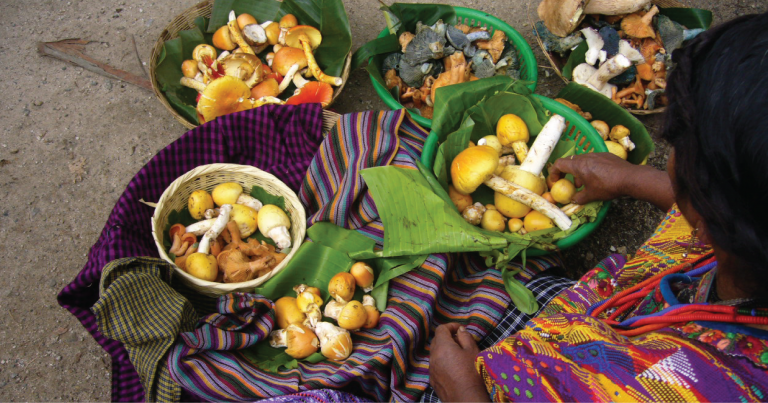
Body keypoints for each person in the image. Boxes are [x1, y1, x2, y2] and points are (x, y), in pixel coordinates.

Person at [428, 11, 768, 403]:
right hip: (608, 313)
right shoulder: (744, 247)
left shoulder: (690, 387)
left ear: (710, 218)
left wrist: (464, 392)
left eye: (682, 152)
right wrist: (633, 179)